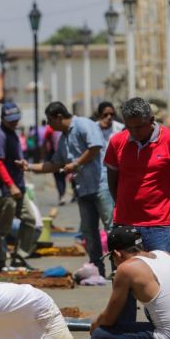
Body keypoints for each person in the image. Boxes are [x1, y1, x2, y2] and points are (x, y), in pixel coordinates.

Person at [20, 101, 106, 276]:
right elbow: (54, 164)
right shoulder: (64, 139)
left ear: (59, 117)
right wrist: (28, 166)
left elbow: (95, 146)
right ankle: (98, 270)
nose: (49, 125)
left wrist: (76, 164)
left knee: (111, 227)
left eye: (49, 120)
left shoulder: (83, 124)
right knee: (89, 232)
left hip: (101, 186)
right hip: (82, 189)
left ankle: (121, 268)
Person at [105, 97, 170, 257]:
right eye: (129, 127)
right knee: (125, 278)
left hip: (159, 228)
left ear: (151, 120)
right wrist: (122, 206)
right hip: (124, 225)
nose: (133, 132)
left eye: (138, 127)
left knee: (161, 278)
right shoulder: (117, 142)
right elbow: (113, 182)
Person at [0, 103, 37, 272]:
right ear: (2, 119)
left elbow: (12, 158)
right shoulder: (0, 136)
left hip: (18, 187)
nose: (14, 123)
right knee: (2, 228)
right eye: (11, 120)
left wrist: (22, 163)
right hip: (6, 190)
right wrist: (10, 185)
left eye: (16, 119)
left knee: (31, 220)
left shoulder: (12, 133)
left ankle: (19, 258)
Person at [96, 101, 124, 231]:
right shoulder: (93, 129)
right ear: (99, 115)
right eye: (105, 114)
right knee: (108, 217)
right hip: (101, 176)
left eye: (111, 114)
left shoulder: (120, 128)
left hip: (119, 175)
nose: (109, 117)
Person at [42, 124, 66, 205]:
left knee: (58, 176)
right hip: (62, 156)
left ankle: (61, 195)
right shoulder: (63, 128)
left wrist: (45, 154)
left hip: (54, 155)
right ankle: (62, 194)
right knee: (62, 175)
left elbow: (45, 142)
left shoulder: (49, 128)